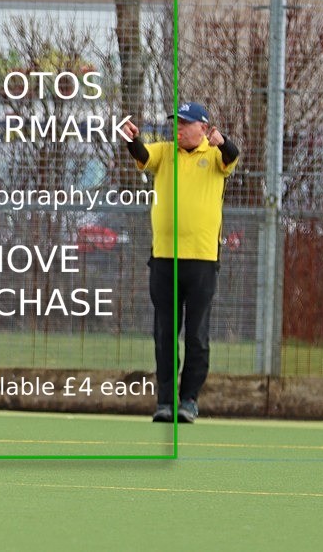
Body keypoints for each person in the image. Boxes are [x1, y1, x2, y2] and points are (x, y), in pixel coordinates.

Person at [123, 102, 239, 423]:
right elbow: (143, 156)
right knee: (164, 333)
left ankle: (189, 399)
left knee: (197, 335)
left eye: (186, 123)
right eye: (176, 122)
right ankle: (165, 401)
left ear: (203, 128)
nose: (179, 128)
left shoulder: (214, 155)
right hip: (164, 258)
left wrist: (223, 142)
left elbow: (232, 156)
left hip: (202, 260)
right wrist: (131, 138)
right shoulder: (166, 152)